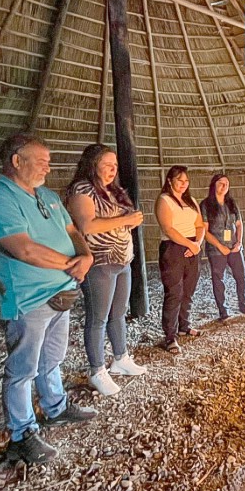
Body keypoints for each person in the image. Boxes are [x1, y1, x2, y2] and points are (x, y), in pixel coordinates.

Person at [0, 133, 98, 464]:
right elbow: (23, 249)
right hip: (28, 298)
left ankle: (54, 407)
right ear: (16, 160)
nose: (48, 167)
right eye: (41, 161)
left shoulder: (48, 195)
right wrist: (74, 265)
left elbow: (73, 232)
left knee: (52, 358)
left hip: (62, 290)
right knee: (23, 368)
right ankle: (21, 434)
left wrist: (85, 256)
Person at [65, 144, 147, 396]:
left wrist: (130, 219)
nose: (113, 169)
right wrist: (126, 220)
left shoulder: (114, 190)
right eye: (107, 164)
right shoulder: (82, 189)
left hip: (122, 260)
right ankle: (97, 369)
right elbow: (86, 226)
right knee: (98, 318)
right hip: (99, 262)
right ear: (93, 164)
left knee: (118, 313)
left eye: (115, 165)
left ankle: (120, 358)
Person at [155, 166, 205, 354]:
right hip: (173, 247)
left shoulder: (191, 201)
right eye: (179, 180)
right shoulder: (164, 200)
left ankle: (184, 325)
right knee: (174, 292)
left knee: (188, 289)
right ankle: (170, 336)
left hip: (193, 246)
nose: (183, 184)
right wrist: (189, 245)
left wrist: (197, 244)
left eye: (186, 181)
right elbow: (168, 228)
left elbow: (200, 225)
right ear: (170, 181)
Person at [200, 174, 245, 321]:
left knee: (241, 275)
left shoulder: (231, 203)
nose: (224, 186)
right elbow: (204, 231)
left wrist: (239, 242)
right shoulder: (205, 205)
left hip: (234, 246)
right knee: (218, 279)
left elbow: (239, 224)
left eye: (226, 184)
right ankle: (223, 311)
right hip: (216, 248)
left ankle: (244, 305)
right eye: (220, 183)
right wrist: (219, 246)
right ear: (214, 185)